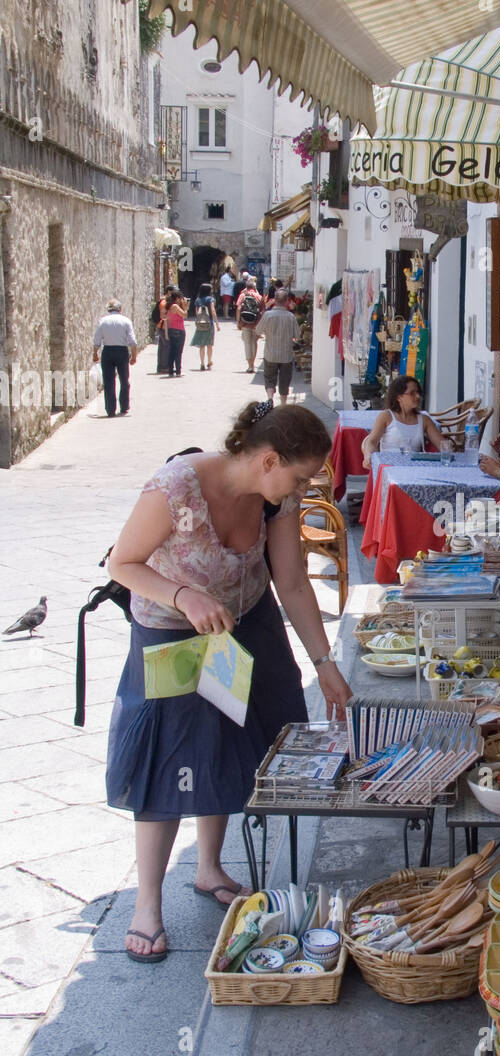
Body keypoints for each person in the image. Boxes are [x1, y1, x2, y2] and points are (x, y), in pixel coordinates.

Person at [105, 402, 353, 964]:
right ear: (268, 460)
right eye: (298, 476)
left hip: (246, 618)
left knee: (230, 733)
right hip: (172, 629)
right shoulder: (177, 487)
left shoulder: (277, 497)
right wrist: (183, 595)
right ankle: (147, 904)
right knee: (169, 757)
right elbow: (124, 563)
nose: (302, 487)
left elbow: (290, 580)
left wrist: (324, 662)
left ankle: (210, 867)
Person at [361, 376, 449, 458]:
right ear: (398, 397)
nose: (418, 396)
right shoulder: (386, 416)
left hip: (414, 469)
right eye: (412, 393)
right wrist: (369, 455)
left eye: (418, 392)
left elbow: (442, 445)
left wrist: (448, 448)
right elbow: (371, 442)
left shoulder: (424, 420)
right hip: (388, 468)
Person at [92, 299, 137, 417]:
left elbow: (97, 339)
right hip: (122, 351)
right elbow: (132, 341)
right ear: (120, 309)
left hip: (108, 351)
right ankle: (124, 406)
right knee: (124, 379)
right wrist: (134, 356)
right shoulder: (126, 321)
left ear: (108, 309)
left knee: (108, 381)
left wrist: (95, 353)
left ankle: (110, 409)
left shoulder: (103, 321)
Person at [255, 298, 299, 404]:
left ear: (275, 301)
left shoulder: (268, 315)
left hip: (270, 353)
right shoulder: (291, 316)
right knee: (285, 379)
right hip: (286, 354)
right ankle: (283, 403)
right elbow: (297, 335)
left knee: (269, 377)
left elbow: (258, 330)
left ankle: (270, 399)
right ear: (285, 302)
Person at [236, 277, 265, 373]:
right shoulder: (259, 297)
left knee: (247, 343)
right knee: (254, 343)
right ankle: (253, 363)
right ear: (254, 287)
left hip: (245, 323)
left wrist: (238, 322)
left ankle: (250, 366)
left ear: (246, 287)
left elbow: (239, 308)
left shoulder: (242, 295)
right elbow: (263, 311)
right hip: (256, 323)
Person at [159, 286, 188, 377]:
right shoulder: (175, 306)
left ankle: (171, 371)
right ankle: (178, 371)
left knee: (172, 351)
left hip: (171, 330)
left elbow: (164, 316)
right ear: (177, 298)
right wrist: (185, 307)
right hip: (179, 331)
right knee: (178, 352)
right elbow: (184, 315)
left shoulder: (169, 306)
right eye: (180, 298)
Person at [191, 282, 220, 370]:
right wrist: (217, 324)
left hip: (200, 324)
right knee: (209, 344)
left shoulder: (197, 300)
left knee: (201, 345)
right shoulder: (210, 299)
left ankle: (202, 363)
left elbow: (197, 313)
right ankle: (209, 361)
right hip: (209, 323)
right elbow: (213, 311)